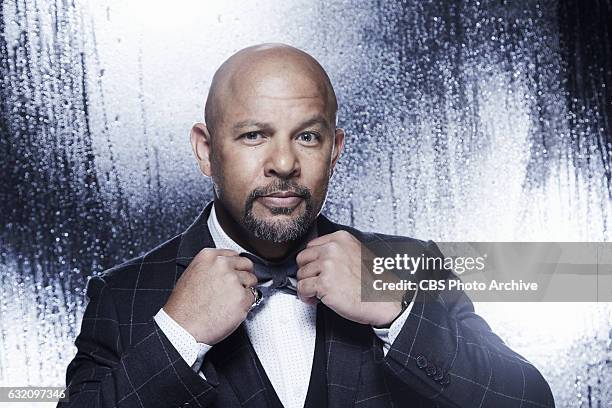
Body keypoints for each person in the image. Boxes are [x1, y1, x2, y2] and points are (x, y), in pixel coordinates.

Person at [59, 43, 555, 408]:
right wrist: (178, 337)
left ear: (335, 151)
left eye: (308, 137)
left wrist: (397, 313)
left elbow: (531, 401)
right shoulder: (120, 296)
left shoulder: (411, 267)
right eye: (254, 135)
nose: (283, 162)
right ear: (206, 151)